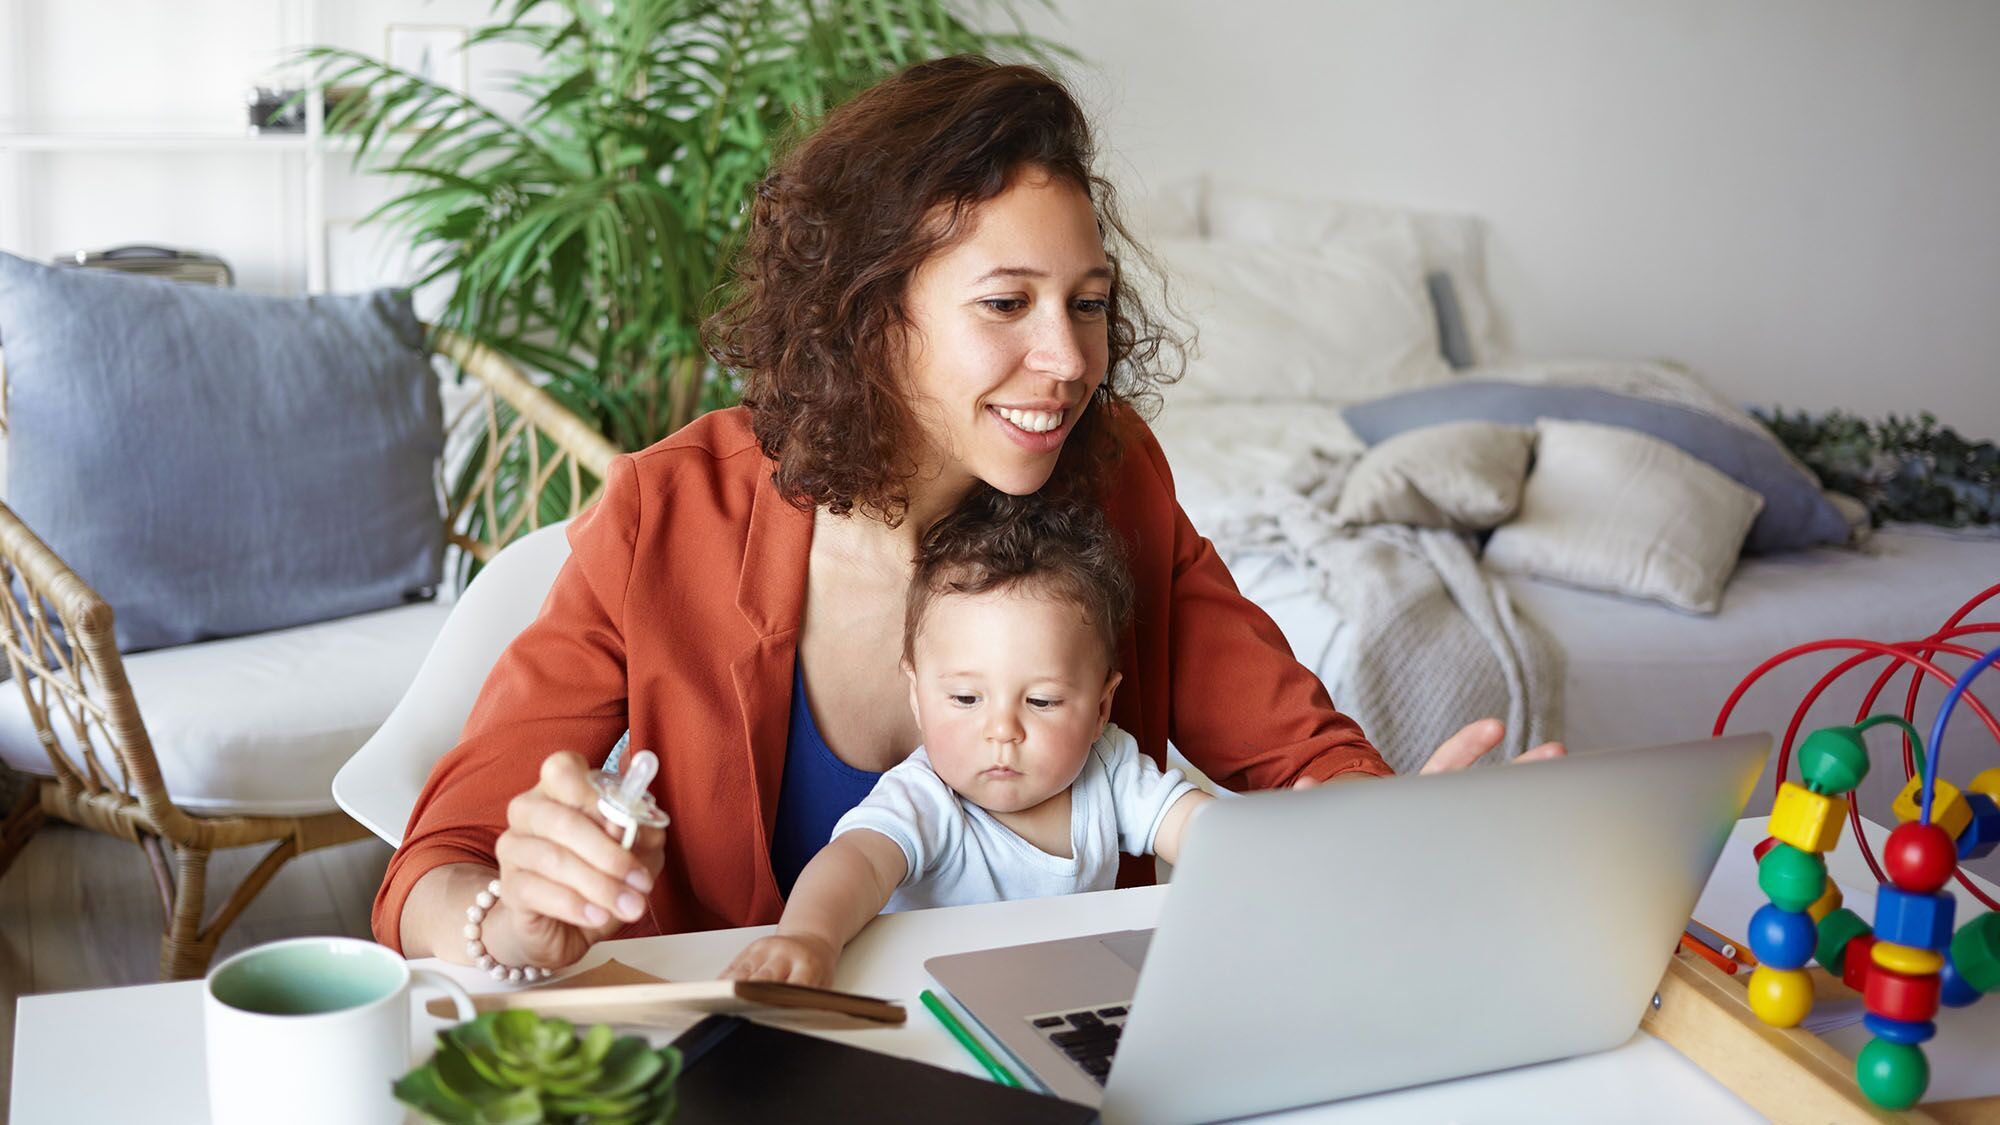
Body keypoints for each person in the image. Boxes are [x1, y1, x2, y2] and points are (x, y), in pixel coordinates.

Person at [376, 55, 1562, 974]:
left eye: (1087, 302)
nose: (1066, 358)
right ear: (867, 311)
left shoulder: (1116, 481)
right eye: (1006, 302)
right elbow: (433, 873)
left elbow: (1294, 758)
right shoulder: (665, 515)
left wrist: (1392, 829)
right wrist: (510, 921)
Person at [724, 491, 1211, 987]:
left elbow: (1201, 828)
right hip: (930, 1004)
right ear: (917, 695)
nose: (1002, 730)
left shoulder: (1108, 771)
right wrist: (809, 937)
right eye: (965, 699)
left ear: (1102, 707)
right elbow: (858, 863)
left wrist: (1265, 859)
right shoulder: (927, 798)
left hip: (1061, 999)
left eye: (1041, 702)